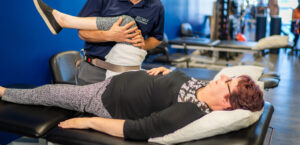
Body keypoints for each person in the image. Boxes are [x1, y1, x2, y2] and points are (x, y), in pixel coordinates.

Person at [0, 67, 264, 140]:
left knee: (51, 93)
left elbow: (138, 129)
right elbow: (182, 82)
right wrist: (169, 71)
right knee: (57, 92)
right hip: (118, 81)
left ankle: (4, 93)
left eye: (228, 83)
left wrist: (88, 121)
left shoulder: (188, 112)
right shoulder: (206, 89)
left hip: (104, 99)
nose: (223, 77)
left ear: (227, 103)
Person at [35, 0, 164, 85]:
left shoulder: (156, 6)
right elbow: (83, 33)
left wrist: (143, 44)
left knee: (126, 21)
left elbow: (156, 38)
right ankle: (63, 20)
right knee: (87, 117)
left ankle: (64, 21)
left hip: (126, 72)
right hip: (93, 71)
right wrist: (110, 35)